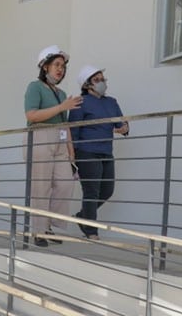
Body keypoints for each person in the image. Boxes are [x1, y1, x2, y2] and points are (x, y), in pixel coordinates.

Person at [24, 45, 83, 247]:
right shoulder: (35, 87)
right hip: (40, 135)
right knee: (41, 185)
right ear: (45, 66)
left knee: (66, 183)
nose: (61, 69)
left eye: (63, 66)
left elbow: (64, 125)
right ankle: (39, 231)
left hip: (59, 140)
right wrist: (61, 107)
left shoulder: (61, 92)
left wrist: (71, 154)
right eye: (57, 65)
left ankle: (48, 224)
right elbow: (31, 115)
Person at [69, 65, 129, 240]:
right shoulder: (80, 103)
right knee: (91, 192)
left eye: (103, 79)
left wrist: (124, 128)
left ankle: (83, 217)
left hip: (106, 152)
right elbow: (73, 132)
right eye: (97, 80)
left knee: (107, 191)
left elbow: (122, 123)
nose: (102, 82)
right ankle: (91, 232)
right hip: (87, 152)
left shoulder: (111, 102)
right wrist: (73, 158)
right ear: (87, 85)